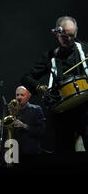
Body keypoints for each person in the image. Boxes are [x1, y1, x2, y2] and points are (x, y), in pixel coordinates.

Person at [20, 16, 88, 153]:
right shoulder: (50, 56)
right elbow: (26, 78)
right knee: (64, 153)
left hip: (86, 109)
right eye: (65, 36)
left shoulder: (85, 50)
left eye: (72, 36)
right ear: (57, 33)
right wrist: (39, 87)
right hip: (62, 113)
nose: (69, 39)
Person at [9, 86, 46, 155]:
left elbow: (41, 131)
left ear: (29, 96)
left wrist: (24, 126)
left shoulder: (36, 109)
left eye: (22, 95)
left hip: (30, 152)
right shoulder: (13, 110)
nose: (19, 97)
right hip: (14, 151)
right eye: (17, 95)